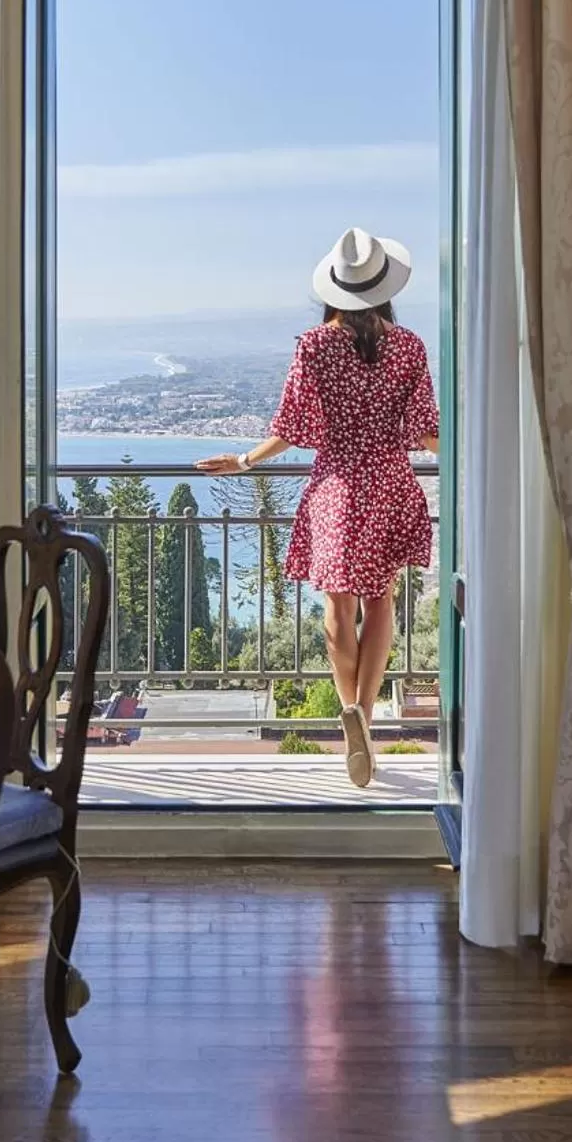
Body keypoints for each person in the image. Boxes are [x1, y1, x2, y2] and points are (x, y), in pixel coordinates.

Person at [198, 228, 439, 789]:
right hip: (388, 483)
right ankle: (366, 715)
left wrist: (244, 460)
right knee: (381, 604)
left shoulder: (314, 345)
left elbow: (292, 428)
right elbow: (427, 434)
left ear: (334, 288)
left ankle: (347, 704)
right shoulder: (409, 347)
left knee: (339, 609)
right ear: (383, 288)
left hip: (335, 488)